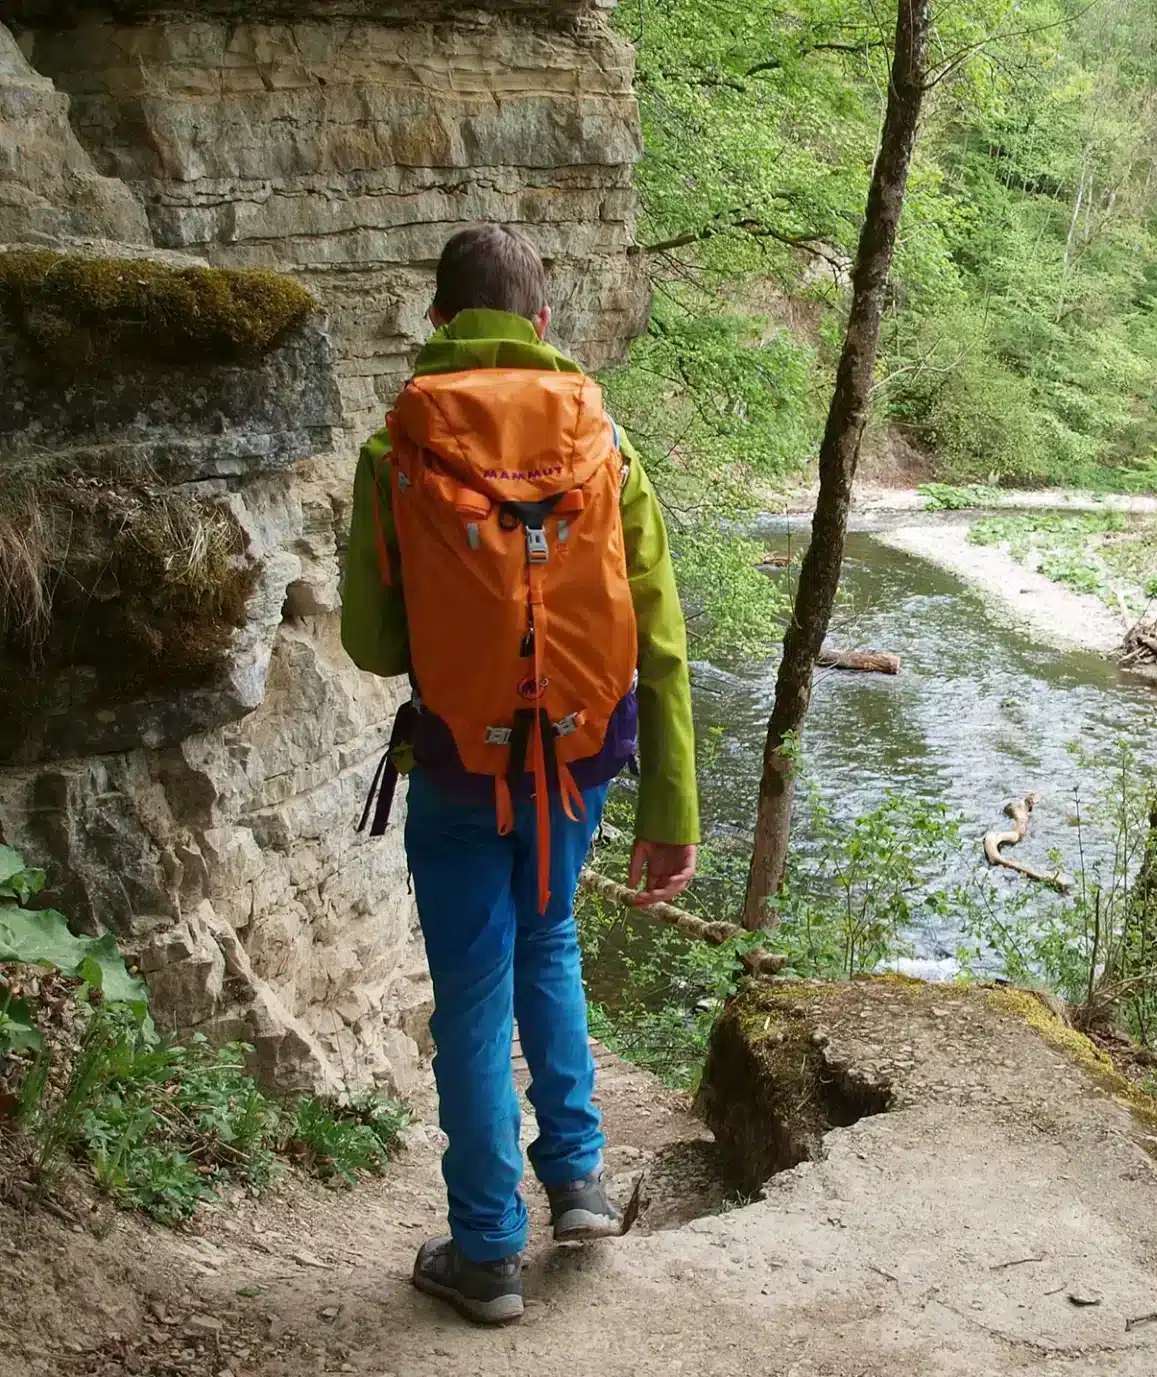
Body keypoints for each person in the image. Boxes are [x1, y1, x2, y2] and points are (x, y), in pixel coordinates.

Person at [340, 223, 699, 1325]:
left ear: (441, 322)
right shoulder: (607, 444)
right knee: (547, 937)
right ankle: (578, 1181)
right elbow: (661, 636)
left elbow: (371, 642)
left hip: (460, 765)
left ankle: (489, 1249)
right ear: (542, 325)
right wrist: (671, 806)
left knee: (472, 990)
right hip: (579, 760)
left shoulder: (394, 449)